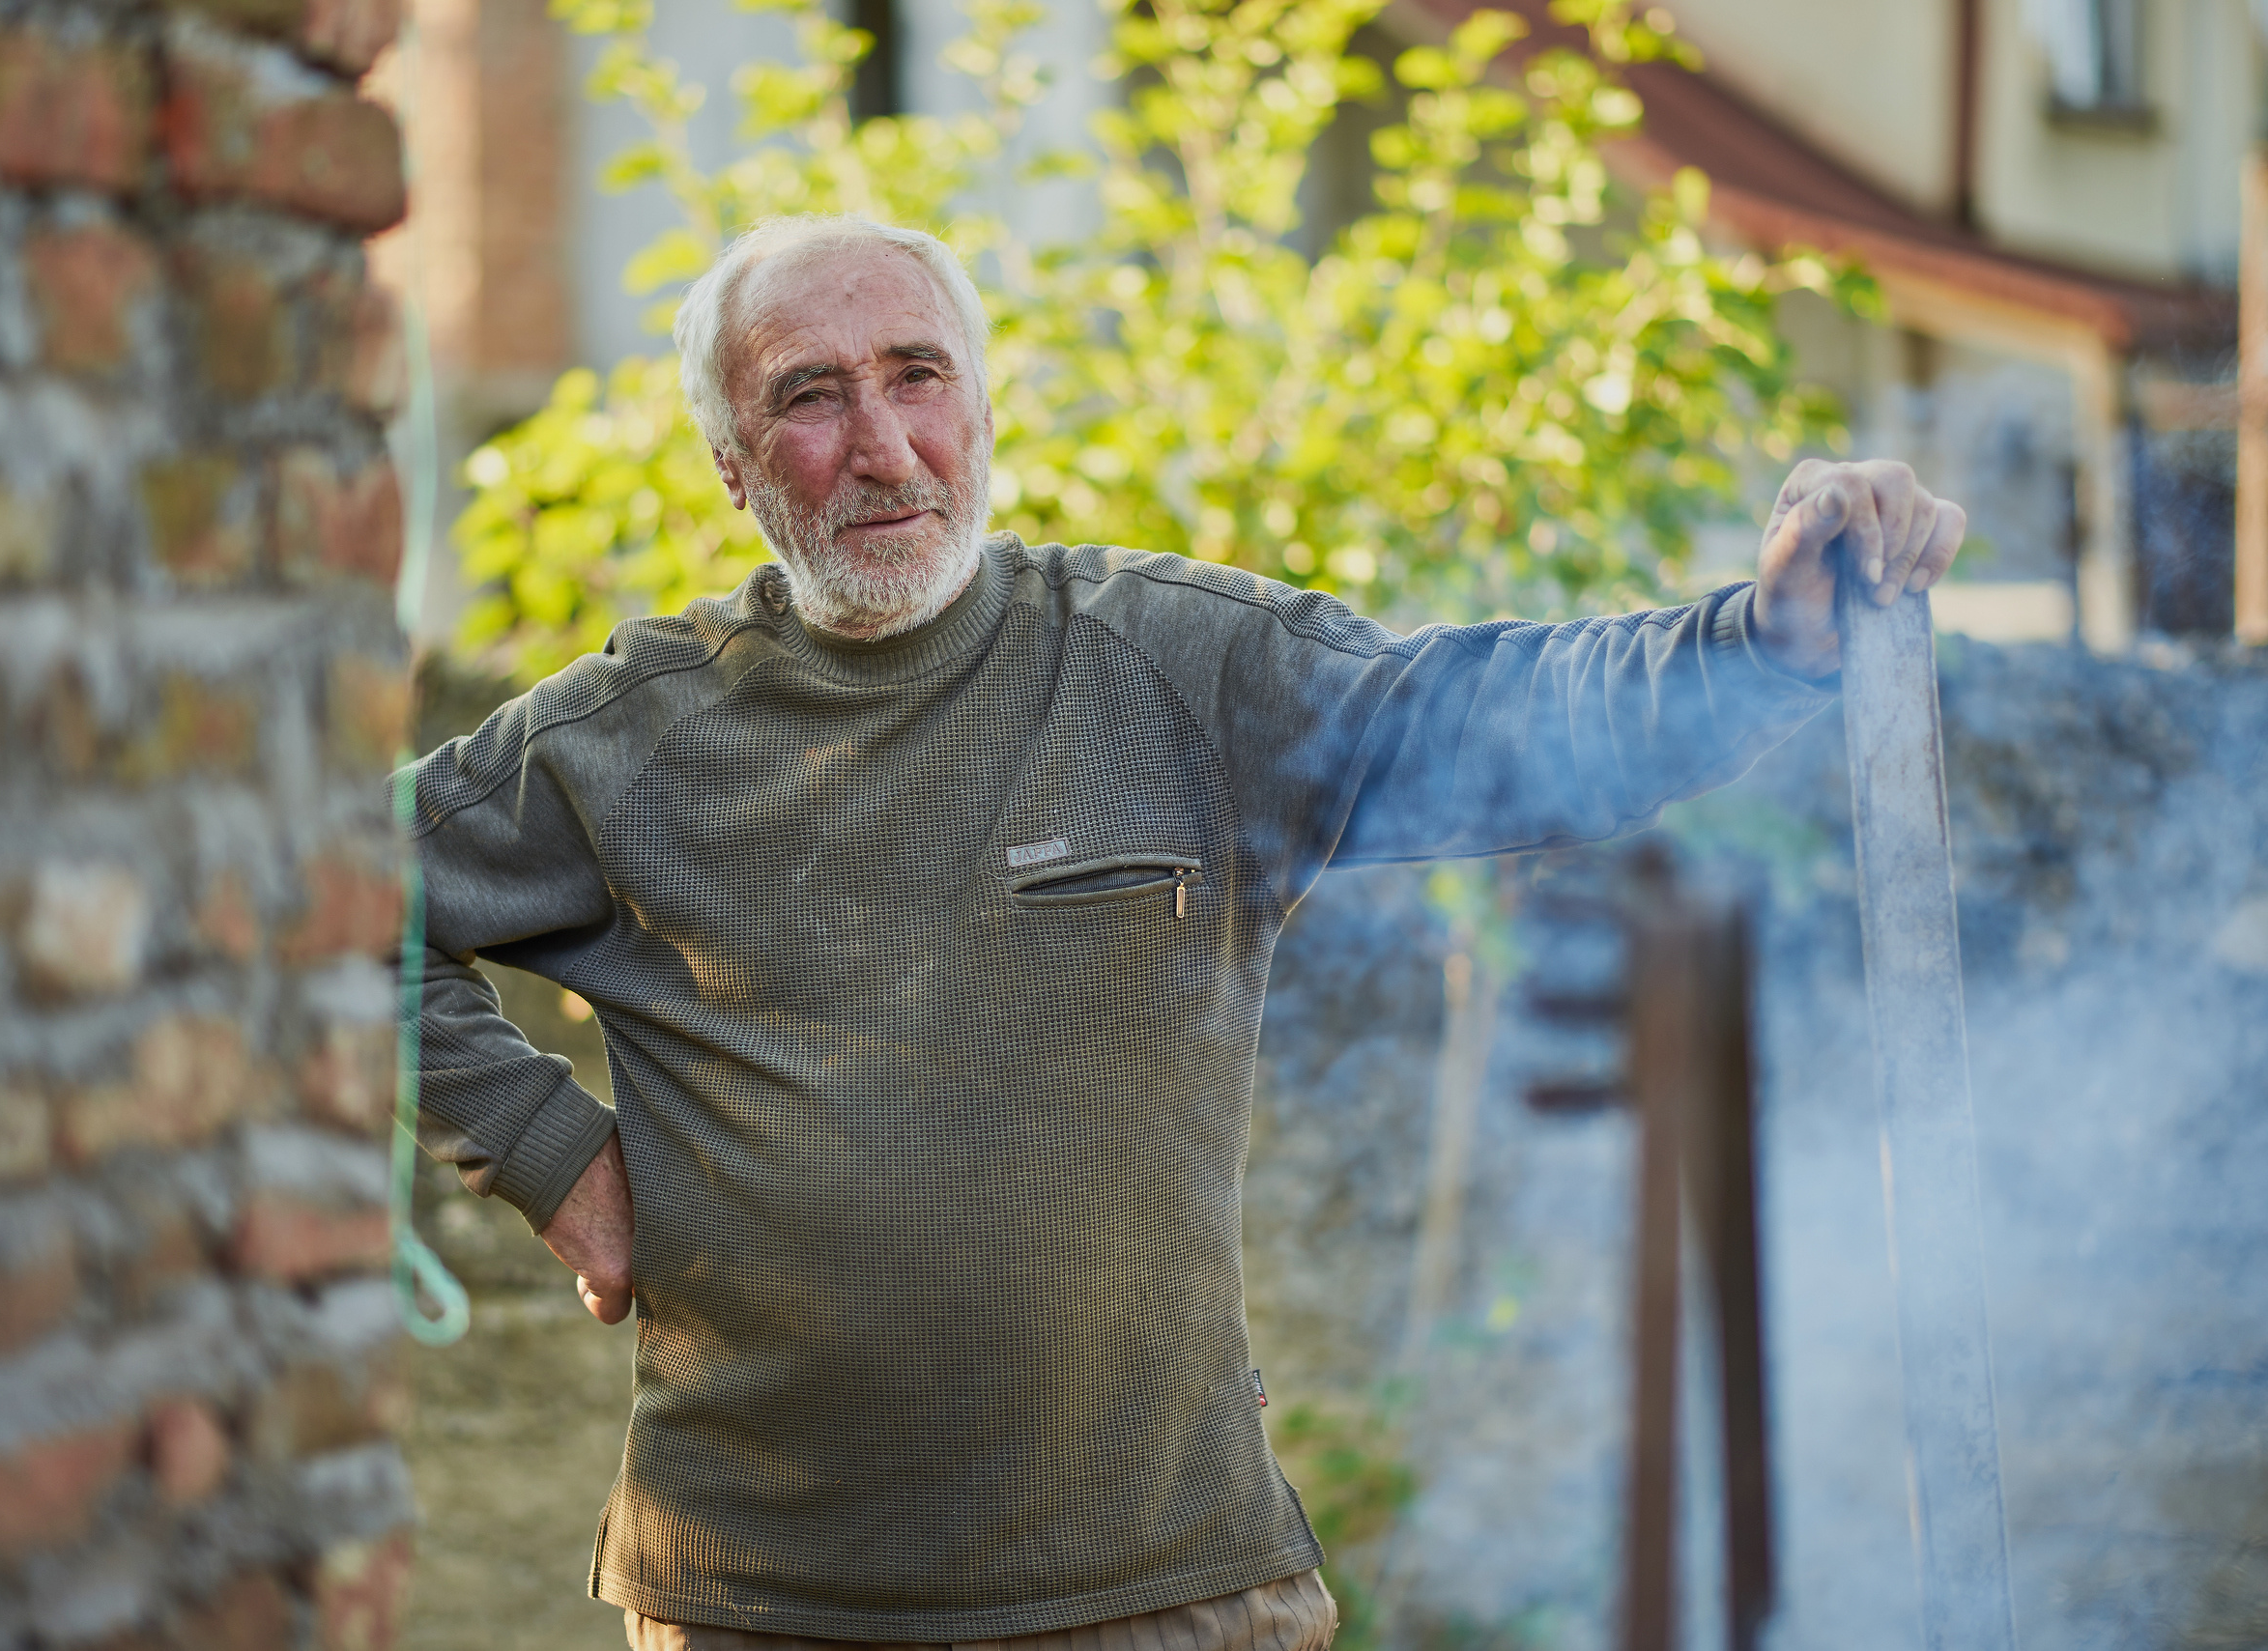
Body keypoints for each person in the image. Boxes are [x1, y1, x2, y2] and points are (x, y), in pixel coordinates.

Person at [400, 214, 1965, 1651]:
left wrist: (1761, 640)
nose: (882, 445)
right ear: (734, 465)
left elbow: (1498, 719)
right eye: (811, 397)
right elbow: (330, 901)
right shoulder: (634, 737)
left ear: (982, 408)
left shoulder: (1179, 668)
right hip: (760, 1603)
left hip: (1162, 1596)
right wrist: (557, 1162)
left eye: (918, 376)